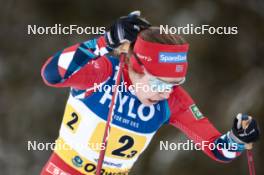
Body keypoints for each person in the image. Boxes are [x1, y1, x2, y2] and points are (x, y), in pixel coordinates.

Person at [40, 11, 259, 175]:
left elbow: (218, 150)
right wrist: (104, 42)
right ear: (134, 67)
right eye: (158, 83)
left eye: (174, 83)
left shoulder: (173, 101)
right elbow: (51, 74)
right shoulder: (104, 72)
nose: (165, 93)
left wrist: (237, 139)